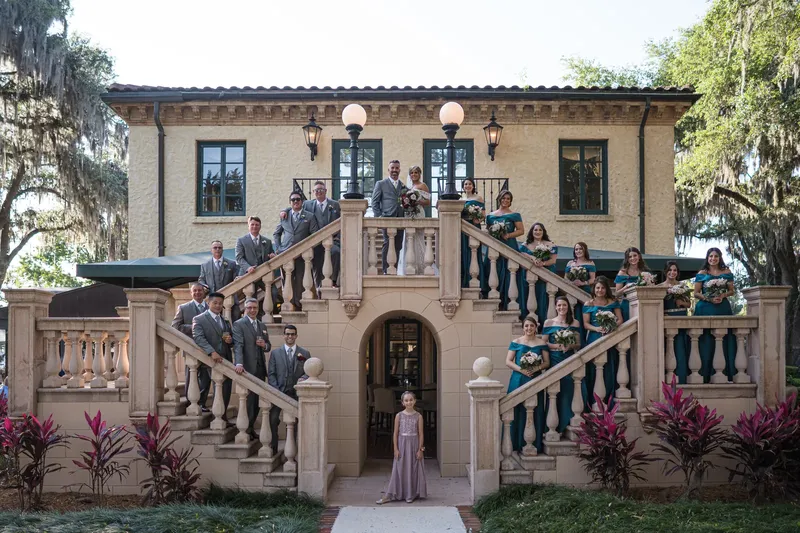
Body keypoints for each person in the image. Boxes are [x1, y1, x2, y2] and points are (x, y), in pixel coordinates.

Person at [505, 315, 549, 453]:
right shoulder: (516, 342)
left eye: (531, 326)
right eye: (526, 326)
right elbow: (508, 361)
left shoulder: (541, 343)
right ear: (523, 328)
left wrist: (536, 368)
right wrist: (522, 370)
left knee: (534, 409)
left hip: (534, 379)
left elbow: (547, 362)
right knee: (516, 409)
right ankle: (515, 444)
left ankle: (533, 443)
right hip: (518, 379)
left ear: (536, 327)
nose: (529, 328)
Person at [376, 391, 427, 504]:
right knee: (399, 468)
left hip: (414, 445)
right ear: (403, 402)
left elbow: (421, 434)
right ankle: (392, 493)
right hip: (402, 445)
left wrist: (420, 450)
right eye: (406, 400)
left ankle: (410, 494)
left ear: (415, 401)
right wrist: (395, 449)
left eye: (411, 400)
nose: (409, 402)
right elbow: (395, 433)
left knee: (413, 469)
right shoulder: (399, 416)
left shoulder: (419, 416)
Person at [693, 248, 737, 382]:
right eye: (711, 256)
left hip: (722, 307)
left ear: (720, 257)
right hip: (705, 308)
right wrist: (708, 298)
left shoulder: (726, 272)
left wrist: (723, 295)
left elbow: (732, 291)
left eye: (716, 256)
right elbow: (696, 293)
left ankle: (725, 372)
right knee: (706, 338)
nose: (713, 258)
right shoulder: (702, 273)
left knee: (724, 337)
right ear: (707, 258)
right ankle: (705, 372)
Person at [267, 324, 309, 456]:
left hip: (295, 394)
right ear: (284, 335)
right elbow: (271, 374)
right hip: (279, 392)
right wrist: (276, 391)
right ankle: (274, 448)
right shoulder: (275, 353)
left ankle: (292, 452)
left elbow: (308, 372)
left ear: (296, 336)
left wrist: (303, 378)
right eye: (287, 334)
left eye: (292, 334)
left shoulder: (304, 353)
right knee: (273, 419)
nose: (290, 336)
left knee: (294, 423)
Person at [233, 297, 272, 440]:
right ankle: (246, 429)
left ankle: (250, 428)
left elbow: (268, 346)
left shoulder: (262, 325)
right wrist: (239, 363)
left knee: (256, 402)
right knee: (249, 400)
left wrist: (264, 345)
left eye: (255, 307)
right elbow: (238, 345)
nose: (252, 310)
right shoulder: (239, 324)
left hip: (260, 368)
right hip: (248, 367)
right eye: (249, 308)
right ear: (245, 309)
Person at [274, 192, 320, 310]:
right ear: (290, 202)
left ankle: (298, 304)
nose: (296, 201)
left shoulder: (309, 216)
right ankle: (288, 304)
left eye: (298, 199)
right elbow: (277, 233)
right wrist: (278, 248)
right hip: (285, 253)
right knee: (286, 279)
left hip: (301, 254)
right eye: (293, 199)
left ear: (302, 201)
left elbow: (315, 234)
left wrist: (307, 247)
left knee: (300, 279)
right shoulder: (285, 216)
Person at [192, 292, 234, 422]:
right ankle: (217, 418)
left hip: (226, 360)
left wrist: (230, 340)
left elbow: (229, 338)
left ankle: (223, 417)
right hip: (209, 361)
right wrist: (211, 352)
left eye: (220, 303)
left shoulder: (225, 320)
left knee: (226, 390)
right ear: (208, 302)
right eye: (215, 303)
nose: (218, 306)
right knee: (215, 388)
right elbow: (198, 338)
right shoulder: (199, 319)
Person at [542, 296, 582, 431]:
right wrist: (557, 345)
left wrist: (570, 346)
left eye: (564, 305)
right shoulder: (549, 322)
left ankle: (566, 422)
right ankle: (553, 425)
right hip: (554, 359)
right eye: (559, 305)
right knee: (554, 390)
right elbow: (544, 343)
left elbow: (578, 344)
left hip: (568, 358)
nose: (561, 308)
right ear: (555, 307)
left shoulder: (575, 323)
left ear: (568, 307)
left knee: (568, 389)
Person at [582, 277, 623, 406]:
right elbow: (586, 324)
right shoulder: (589, 304)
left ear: (606, 289)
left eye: (603, 288)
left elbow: (620, 319)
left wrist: (612, 327)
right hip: (594, 337)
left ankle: (608, 400)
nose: (600, 290)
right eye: (598, 287)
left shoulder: (613, 302)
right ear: (594, 289)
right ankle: (593, 401)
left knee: (608, 367)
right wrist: (597, 328)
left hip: (609, 337)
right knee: (594, 368)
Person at [481, 190, 525, 312]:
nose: (505, 200)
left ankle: (507, 301)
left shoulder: (515, 215)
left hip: (509, 244)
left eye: (508, 199)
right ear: (499, 199)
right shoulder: (490, 216)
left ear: (510, 201)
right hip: (494, 246)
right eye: (503, 198)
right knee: (493, 269)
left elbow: (521, 230)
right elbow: (488, 231)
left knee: (509, 272)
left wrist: (509, 235)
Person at [173, 282, 211, 410]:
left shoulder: (211, 307)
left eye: (200, 290)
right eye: (195, 291)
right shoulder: (183, 308)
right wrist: (194, 328)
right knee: (191, 376)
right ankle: (191, 403)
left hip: (207, 348)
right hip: (191, 347)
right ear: (191, 293)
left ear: (204, 292)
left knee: (206, 378)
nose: (197, 293)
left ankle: (202, 403)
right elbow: (175, 326)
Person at [235, 216, 279, 313]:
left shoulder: (267, 241)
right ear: (248, 226)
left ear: (260, 226)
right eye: (252, 224)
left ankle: (264, 313)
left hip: (263, 274)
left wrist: (272, 256)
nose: (254, 226)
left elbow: (270, 254)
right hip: (249, 274)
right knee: (252, 297)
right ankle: (253, 316)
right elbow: (239, 258)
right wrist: (248, 268)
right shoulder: (241, 240)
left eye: (257, 225)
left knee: (274, 292)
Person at [371, 160, 408, 274]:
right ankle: (386, 270)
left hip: (400, 219)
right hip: (386, 218)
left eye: (397, 168)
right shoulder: (381, 184)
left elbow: (405, 203)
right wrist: (379, 216)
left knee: (398, 245)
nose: (394, 170)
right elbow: (374, 202)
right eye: (392, 168)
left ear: (399, 170)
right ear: (388, 170)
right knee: (387, 243)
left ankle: (394, 269)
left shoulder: (403, 186)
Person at [520, 222, 558, 328]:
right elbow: (521, 254)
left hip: (546, 275)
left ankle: (545, 323)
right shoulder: (525, 245)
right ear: (531, 232)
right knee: (530, 297)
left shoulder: (550, 245)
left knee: (544, 297)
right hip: (530, 277)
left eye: (540, 230)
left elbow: (553, 260)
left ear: (543, 231)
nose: (538, 232)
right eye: (535, 230)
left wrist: (543, 263)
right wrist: (532, 257)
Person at [304, 181, 340, 289]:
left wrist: (338, 238)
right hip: (316, 242)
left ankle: (333, 281)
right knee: (317, 263)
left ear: (325, 191)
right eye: (316, 190)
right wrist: (284, 211)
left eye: (321, 189)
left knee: (336, 252)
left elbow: (342, 221)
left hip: (332, 240)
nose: (319, 192)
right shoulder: (308, 205)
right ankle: (318, 288)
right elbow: (295, 209)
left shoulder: (335, 205)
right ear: (313, 192)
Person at [397, 166, 433, 276]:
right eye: (412, 173)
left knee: (418, 237)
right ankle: (409, 265)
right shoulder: (409, 187)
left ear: (419, 174)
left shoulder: (423, 185)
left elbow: (428, 202)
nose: (414, 175)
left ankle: (421, 266)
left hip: (418, 212)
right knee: (409, 238)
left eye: (416, 172)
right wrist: (406, 203)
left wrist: (416, 201)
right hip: (409, 213)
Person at [662, 261, 691, 383]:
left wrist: (682, 303)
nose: (672, 272)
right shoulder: (660, 287)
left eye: (675, 270)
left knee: (681, 347)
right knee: (670, 347)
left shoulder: (683, 286)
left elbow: (689, 304)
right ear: (666, 271)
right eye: (670, 270)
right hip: (668, 318)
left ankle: (682, 376)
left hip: (681, 316)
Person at [614, 247, 651, 321]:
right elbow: (617, 294)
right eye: (630, 257)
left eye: (635, 255)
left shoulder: (645, 272)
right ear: (627, 259)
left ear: (639, 256)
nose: (632, 258)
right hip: (627, 305)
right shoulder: (623, 273)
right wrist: (626, 287)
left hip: (642, 304)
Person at [460, 178, 485, 288]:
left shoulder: (478, 198)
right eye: (465, 184)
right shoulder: (461, 199)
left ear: (473, 186)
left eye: (470, 184)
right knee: (464, 251)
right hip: (463, 228)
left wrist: (478, 220)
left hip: (474, 226)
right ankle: (465, 280)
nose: (468, 186)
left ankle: (478, 279)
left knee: (474, 251)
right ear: (463, 186)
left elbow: (483, 215)